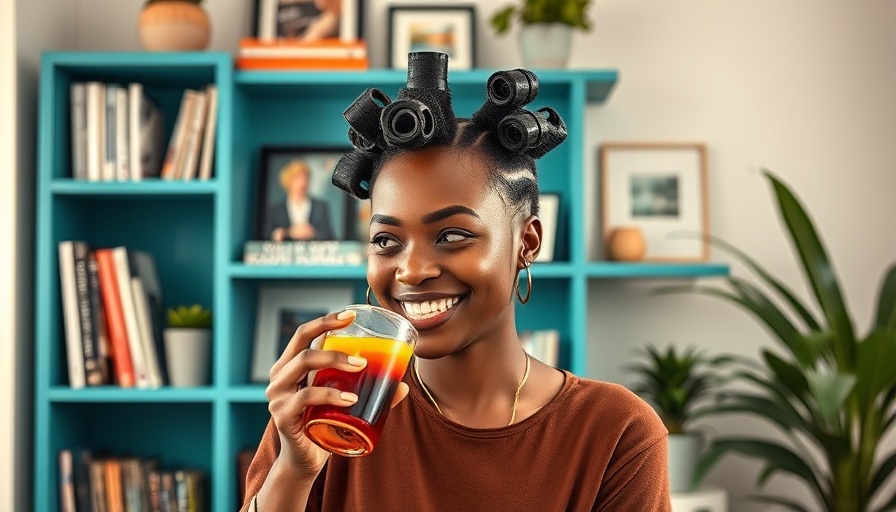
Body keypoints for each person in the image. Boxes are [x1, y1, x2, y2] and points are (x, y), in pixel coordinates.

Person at [242, 52, 671, 511]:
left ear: (527, 242)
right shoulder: (330, 406)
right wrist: (294, 470)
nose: (411, 270)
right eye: (386, 240)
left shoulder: (616, 433)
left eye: (451, 236)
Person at [263, 159, 336, 241]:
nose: (303, 183)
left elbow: (330, 236)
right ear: (288, 181)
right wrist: (288, 232)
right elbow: (266, 237)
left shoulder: (320, 206)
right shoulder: (276, 209)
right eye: (298, 179)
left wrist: (313, 232)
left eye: (305, 178)